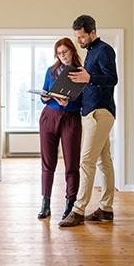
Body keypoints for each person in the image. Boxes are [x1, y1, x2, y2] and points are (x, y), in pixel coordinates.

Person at [59, 15, 118, 227]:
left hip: (99, 113)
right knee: (104, 161)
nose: (79, 41)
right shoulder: (90, 53)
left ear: (92, 32)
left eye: (82, 37)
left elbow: (113, 79)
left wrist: (89, 78)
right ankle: (106, 209)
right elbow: (89, 86)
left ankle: (78, 210)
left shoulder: (104, 50)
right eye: (77, 37)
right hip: (92, 112)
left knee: (86, 162)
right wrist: (70, 96)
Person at [37, 37, 83, 220]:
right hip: (49, 116)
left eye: (64, 52)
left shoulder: (81, 72)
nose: (62, 55)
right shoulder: (51, 70)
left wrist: (69, 100)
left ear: (72, 50)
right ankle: (45, 204)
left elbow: (83, 99)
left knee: (72, 163)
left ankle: (70, 204)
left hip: (71, 118)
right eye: (58, 53)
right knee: (48, 162)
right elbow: (44, 93)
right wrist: (48, 97)